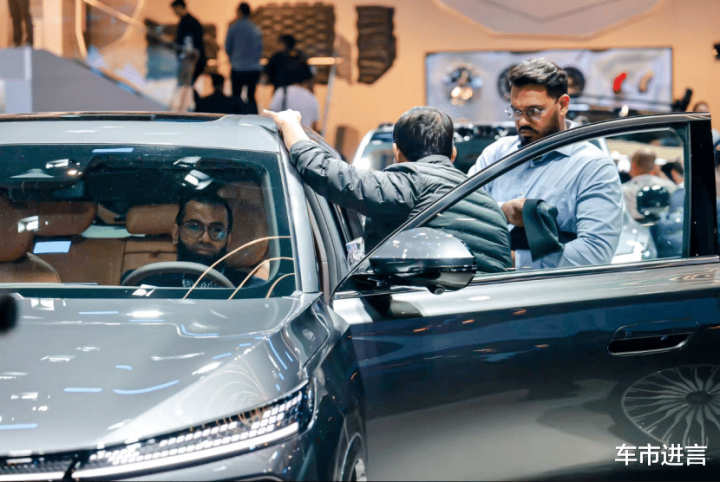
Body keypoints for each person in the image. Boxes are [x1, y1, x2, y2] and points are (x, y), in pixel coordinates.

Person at [265, 106, 512, 274]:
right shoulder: (488, 202)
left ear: (397, 153)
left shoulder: (409, 184)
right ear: (453, 154)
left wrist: (290, 125)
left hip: (437, 318)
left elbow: (324, 171)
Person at [468, 58, 623, 270]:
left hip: (554, 289)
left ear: (563, 105)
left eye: (534, 111)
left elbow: (594, 254)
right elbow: (461, 213)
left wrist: (512, 262)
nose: (522, 121)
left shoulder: (593, 167)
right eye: (516, 111)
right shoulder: (496, 155)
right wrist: (502, 211)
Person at [123, 192, 256, 288]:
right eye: (194, 227)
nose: (205, 238)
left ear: (229, 239)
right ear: (176, 233)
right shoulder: (141, 280)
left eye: (216, 230)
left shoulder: (248, 287)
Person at [225, 2, 263, 114]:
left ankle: (235, 118)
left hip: (238, 67)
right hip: (254, 69)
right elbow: (260, 49)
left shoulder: (234, 27)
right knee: (251, 96)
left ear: (239, 12)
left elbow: (227, 47)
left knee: (236, 97)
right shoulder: (255, 28)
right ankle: (254, 118)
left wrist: (232, 58)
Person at [623, 149, 677, 221]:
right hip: (664, 225)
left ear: (633, 165)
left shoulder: (625, 189)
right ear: (654, 166)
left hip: (636, 226)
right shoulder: (669, 186)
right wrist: (659, 172)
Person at [171, 0, 206, 85]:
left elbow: (188, 42)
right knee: (187, 85)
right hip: (191, 59)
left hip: (190, 60)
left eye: (174, 9)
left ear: (180, 7)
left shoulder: (188, 23)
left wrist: (184, 58)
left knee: (186, 85)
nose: (174, 12)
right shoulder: (188, 21)